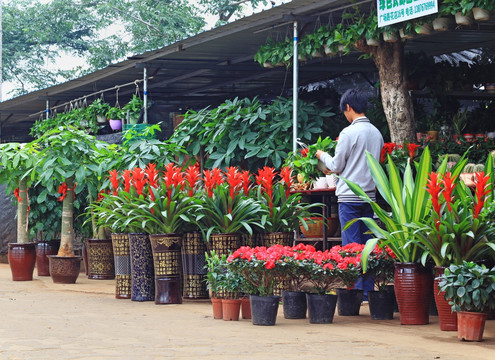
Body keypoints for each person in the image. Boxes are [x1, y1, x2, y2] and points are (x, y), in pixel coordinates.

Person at [316, 88, 384, 299]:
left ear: (348, 107)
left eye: (344, 110)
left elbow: (336, 165)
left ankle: (354, 291)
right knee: (367, 244)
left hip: (349, 197)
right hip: (369, 196)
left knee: (351, 245)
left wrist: (322, 155)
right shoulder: (377, 133)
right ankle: (367, 291)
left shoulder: (348, 132)